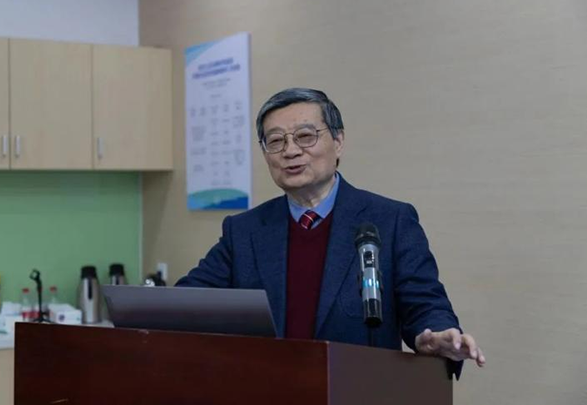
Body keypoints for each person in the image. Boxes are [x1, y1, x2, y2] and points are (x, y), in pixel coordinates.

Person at [177, 88, 485, 377]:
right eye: (276, 141)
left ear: (338, 142)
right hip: (269, 387)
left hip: (357, 386)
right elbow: (185, 303)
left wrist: (435, 336)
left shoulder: (390, 220)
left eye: (305, 136)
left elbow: (425, 304)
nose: (290, 151)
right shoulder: (244, 231)